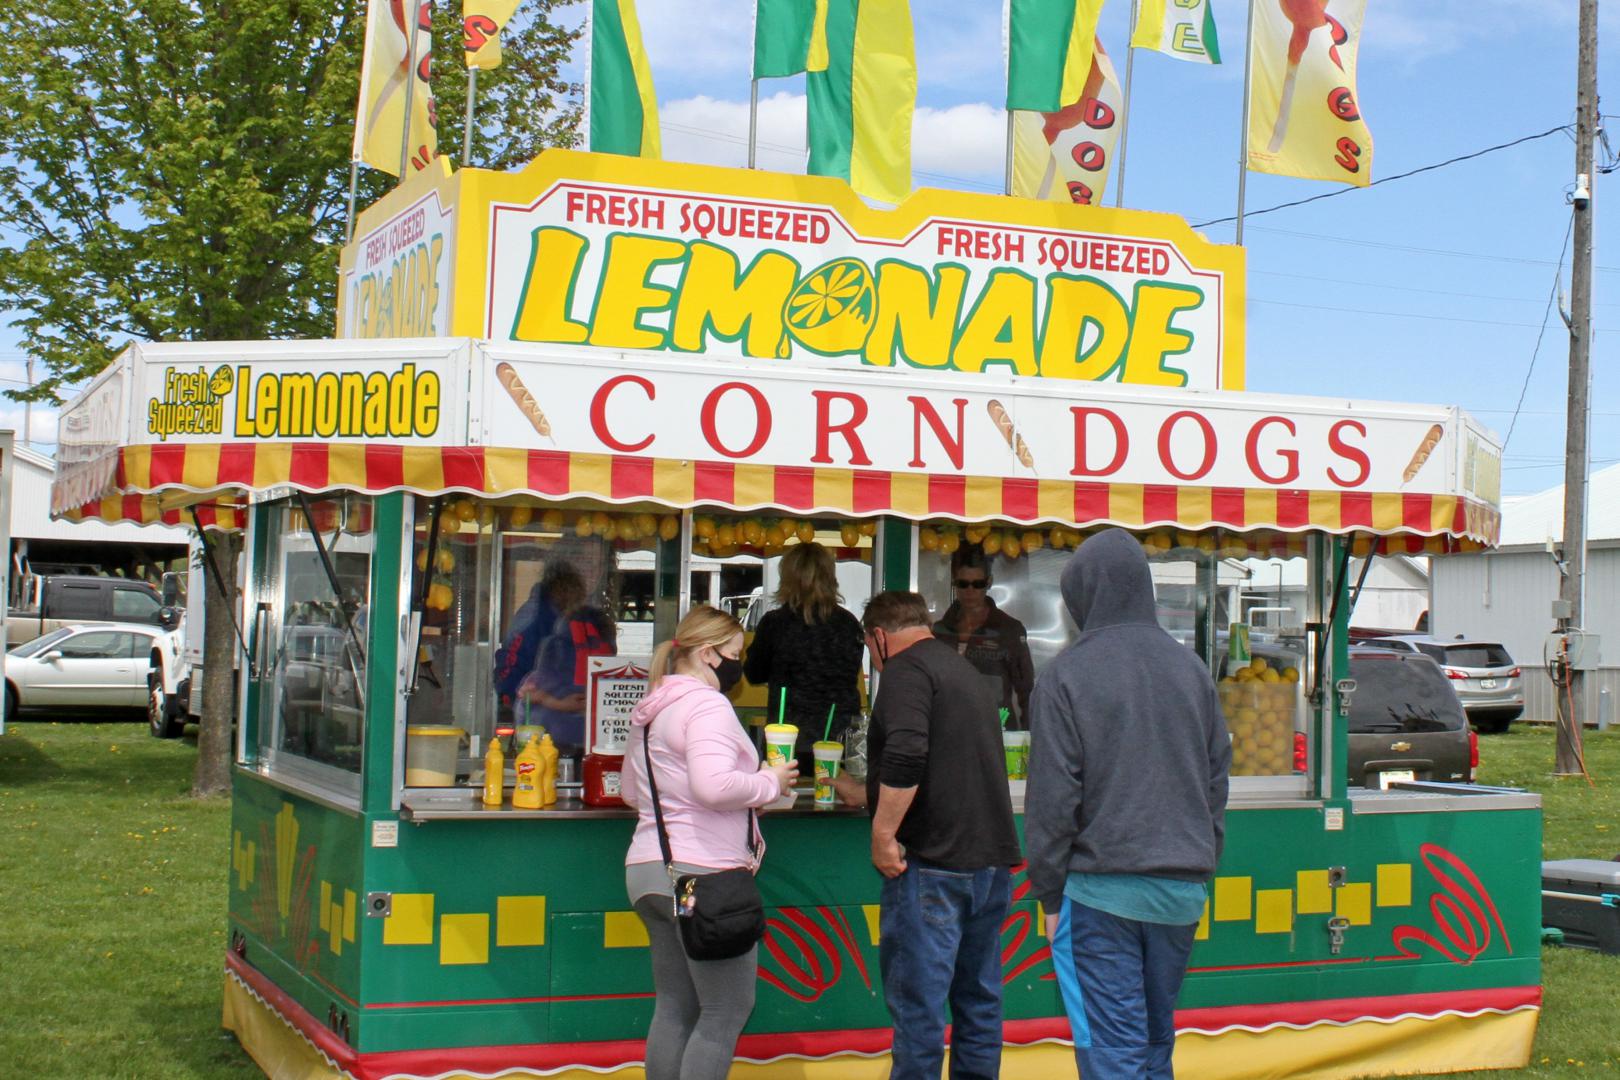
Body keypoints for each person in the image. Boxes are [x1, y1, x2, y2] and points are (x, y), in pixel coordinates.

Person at [1024, 529, 1231, 1079]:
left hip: (1100, 892)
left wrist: (1049, 894)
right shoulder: (1192, 670)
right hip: (1181, 891)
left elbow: (1053, 801)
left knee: (1113, 1051)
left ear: (1081, 595)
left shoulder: (1066, 675)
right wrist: (1200, 858)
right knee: (1154, 1043)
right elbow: (1216, 782)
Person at [619, 606, 798, 1080]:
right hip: (703, 878)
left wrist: (747, 793)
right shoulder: (707, 706)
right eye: (735, 654)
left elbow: (632, 792)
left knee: (675, 1007)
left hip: (650, 873)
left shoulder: (652, 707)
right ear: (707, 654)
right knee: (725, 1011)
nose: (740, 665)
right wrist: (769, 782)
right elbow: (714, 787)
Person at [855, 590, 1023, 1080]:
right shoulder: (960, 670)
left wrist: (883, 833)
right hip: (989, 862)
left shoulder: (905, 670)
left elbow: (908, 752)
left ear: (879, 637)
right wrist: (861, 789)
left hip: (933, 863)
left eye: (869, 649)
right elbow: (946, 762)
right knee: (979, 1001)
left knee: (919, 1008)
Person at [743, 541, 865, 770]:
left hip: (787, 738)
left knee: (785, 791)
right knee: (835, 790)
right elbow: (851, 670)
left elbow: (754, 673)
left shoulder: (775, 623)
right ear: (830, 577)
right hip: (839, 736)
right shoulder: (849, 624)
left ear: (787, 578)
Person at [933, 543, 1035, 727]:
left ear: (989, 582)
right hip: (948, 727)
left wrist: (1029, 734)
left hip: (997, 727)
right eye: (963, 584)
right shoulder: (940, 630)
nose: (970, 591)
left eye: (978, 584)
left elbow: (1026, 689)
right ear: (954, 583)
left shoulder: (1009, 629)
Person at [517, 564, 616, 753]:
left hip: (549, 740)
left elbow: (527, 694)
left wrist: (548, 700)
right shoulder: (605, 657)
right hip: (594, 742)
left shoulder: (548, 639)